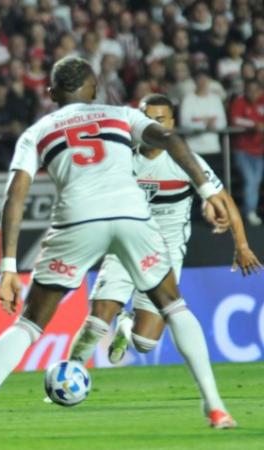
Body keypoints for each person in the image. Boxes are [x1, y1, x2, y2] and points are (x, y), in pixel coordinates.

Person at [0, 56, 236, 439]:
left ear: (51, 93)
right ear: (94, 87)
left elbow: (15, 196)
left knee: (29, 323)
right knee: (174, 306)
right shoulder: (120, 114)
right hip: (132, 215)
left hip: (77, 220)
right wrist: (209, 192)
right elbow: (171, 139)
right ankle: (216, 408)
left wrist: (8, 267)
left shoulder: (38, 131)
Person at [67, 93, 261, 368]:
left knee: (144, 343)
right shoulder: (121, 158)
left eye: (160, 120)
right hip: (125, 245)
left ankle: (127, 324)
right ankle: (67, 374)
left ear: (171, 123)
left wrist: (241, 245)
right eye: (147, 119)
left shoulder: (184, 160)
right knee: (97, 320)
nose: (154, 126)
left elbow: (224, 200)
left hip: (164, 253)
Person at [229, 79, 264, 226]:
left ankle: (248, 210)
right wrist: (253, 124)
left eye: (255, 90)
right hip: (242, 150)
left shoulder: (262, 102)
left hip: (259, 150)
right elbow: (234, 119)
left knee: (255, 182)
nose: (252, 93)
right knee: (250, 181)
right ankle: (250, 211)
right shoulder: (239, 101)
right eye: (249, 90)